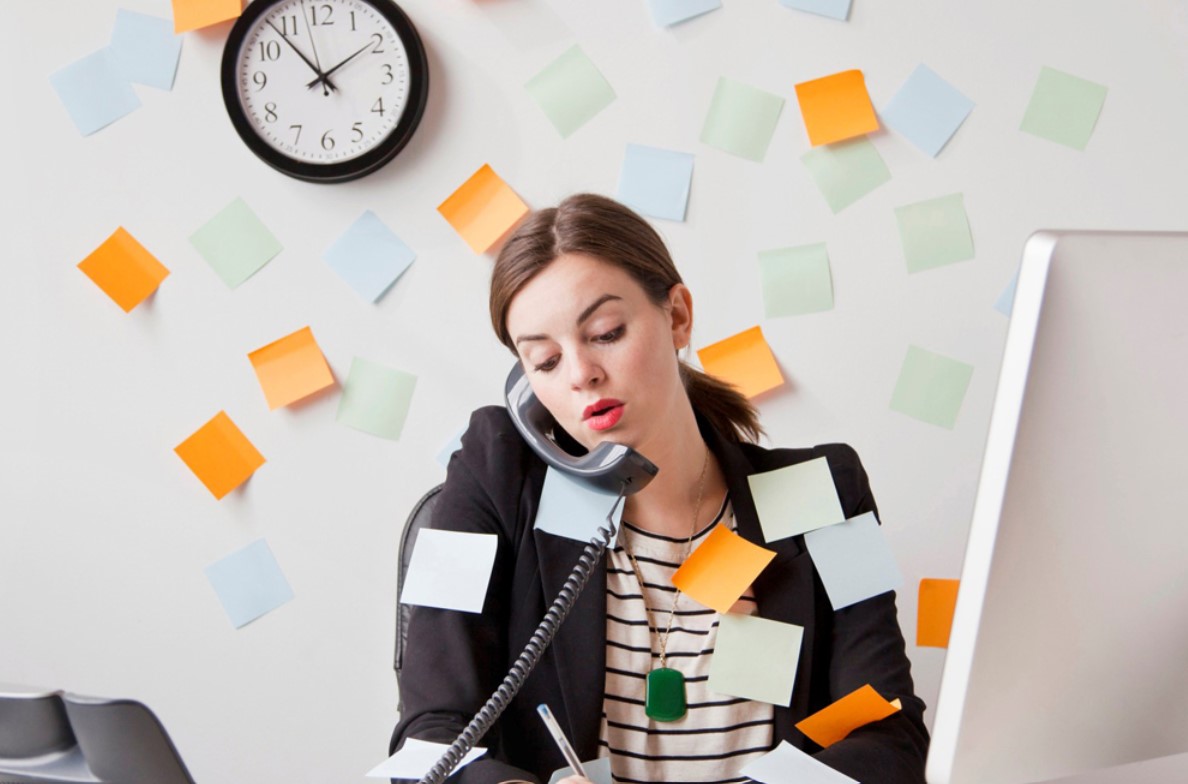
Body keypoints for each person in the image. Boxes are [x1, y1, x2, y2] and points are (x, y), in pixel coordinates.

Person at [390, 193, 929, 783]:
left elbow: (888, 727)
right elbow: (426, 740)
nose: (580, 375)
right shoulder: (493, 472)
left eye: (606, 332)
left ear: (677, 316)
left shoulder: (824, 490)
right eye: (543, 361)